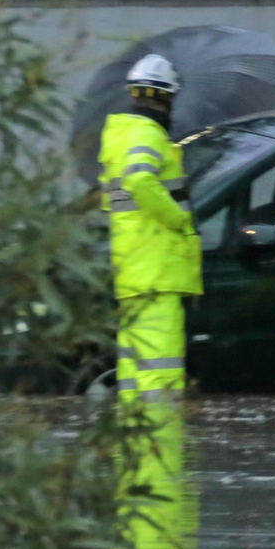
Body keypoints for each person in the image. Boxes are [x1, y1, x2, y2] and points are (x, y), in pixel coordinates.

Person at [98, 53, 203, 405]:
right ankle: (162, 442)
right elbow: (141, 181)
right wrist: (178, 218)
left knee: (134, 377)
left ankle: (138, 449)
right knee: (161, 375)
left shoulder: (120, 138)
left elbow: (112, 201)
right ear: (166, 97)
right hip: (158, 274)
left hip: (133, 274)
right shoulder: (147, 135)